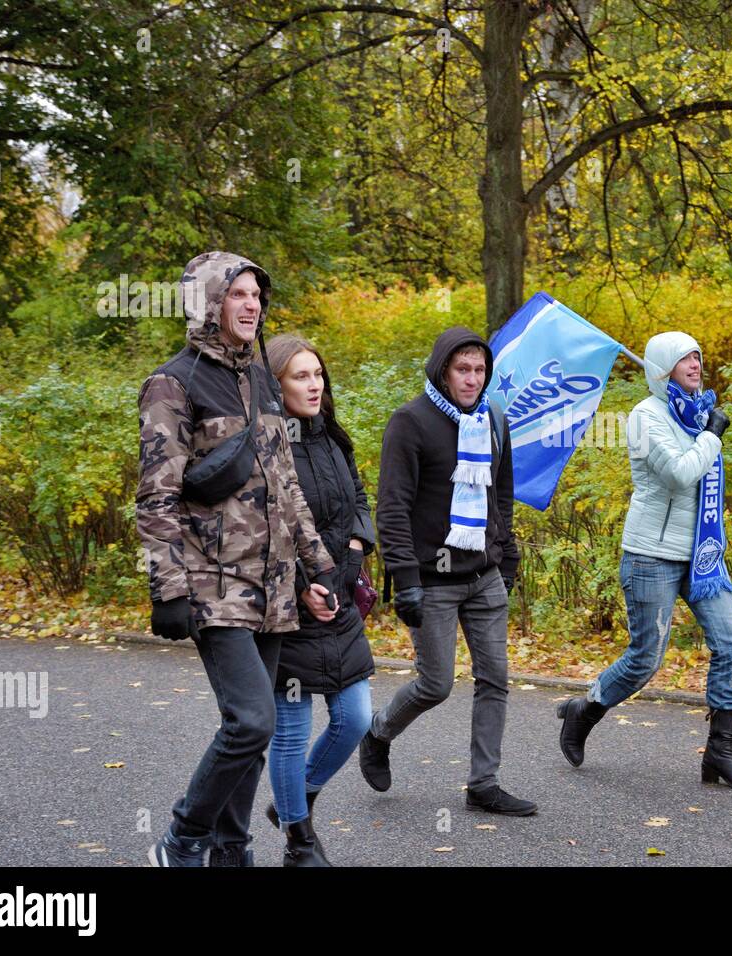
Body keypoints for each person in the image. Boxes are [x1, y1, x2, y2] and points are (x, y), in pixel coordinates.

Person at [137, 251, 339, 867]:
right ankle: (181, 838)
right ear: (206, 302)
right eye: (236, 294)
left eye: (257, 294)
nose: (252, 304)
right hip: (211, 581)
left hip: (273, 585)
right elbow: (157, 493)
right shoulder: (172, 383)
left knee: (256, 735)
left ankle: (230, 850)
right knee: (250, 722)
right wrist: (167, 586)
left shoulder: (258, 382)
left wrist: (318, 566)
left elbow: (287, 486)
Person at [555, 331, 732, 790]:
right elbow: (678, 474)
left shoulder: (698, 413)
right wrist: (712, 436)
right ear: (662, 367)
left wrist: (706, 430)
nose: (695, 363)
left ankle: (719, 755)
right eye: (684, 357)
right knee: (646, 659)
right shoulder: (645, 417)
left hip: (701, 556)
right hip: (652, 554)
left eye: (698, 355)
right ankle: (583, 710)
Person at [356, 326, 536, 816]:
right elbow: (391, 507)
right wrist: (405, 578)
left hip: (484, 574)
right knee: (435, 684)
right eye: (463, 369)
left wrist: (508, 554)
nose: (472, 379)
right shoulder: (410, 422)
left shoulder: (494, 418)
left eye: (480, 370)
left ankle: (484, 784)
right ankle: (377, 733)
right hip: (432, 578)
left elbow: (501, 494)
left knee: (495, 679)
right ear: (442, 369)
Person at [261, 334, 377, 867]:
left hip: (340, 595)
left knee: (354, 717)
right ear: (276, 384)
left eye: (317, 374)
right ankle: (298, 841)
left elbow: (357, 496)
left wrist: (355, 548)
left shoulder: (331, 434)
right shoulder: (264, 440)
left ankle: (294, 801)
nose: (314, 385)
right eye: (300, 376)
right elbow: (262, 530)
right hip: (289, 607)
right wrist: (300, 587)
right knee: (289, 729)